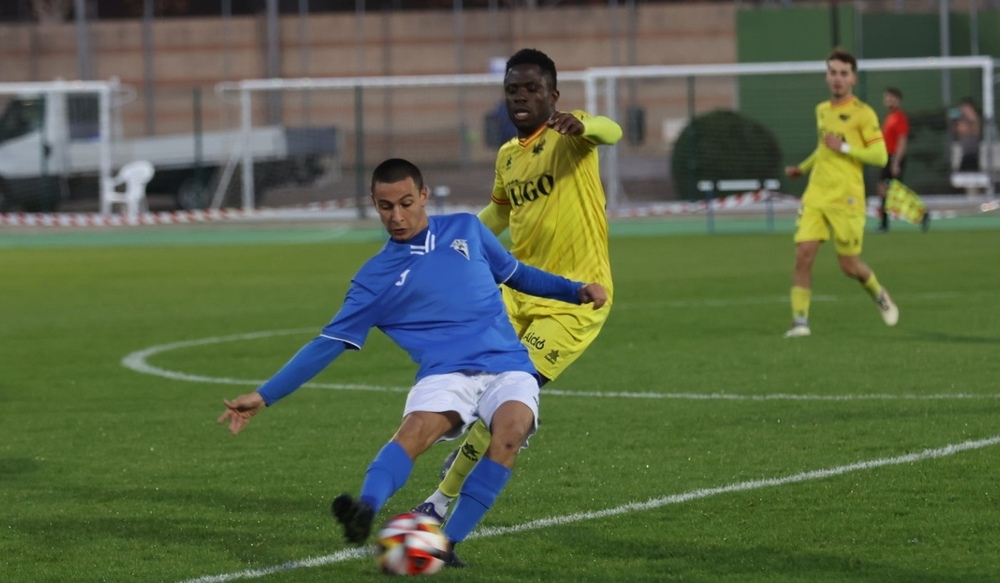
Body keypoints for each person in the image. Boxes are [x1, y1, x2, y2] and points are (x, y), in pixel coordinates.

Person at [217, 158, 607, 568]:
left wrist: (575, 290)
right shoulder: (374, 279)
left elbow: (516, 274)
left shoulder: (467, 229)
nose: (397, 216)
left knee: (509, 434)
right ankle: (365, 508)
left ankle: (447, 543)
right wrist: (264, 396)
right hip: (445, 374)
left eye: (406, 203)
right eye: (386, 207)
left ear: (423, 196)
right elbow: (326, 344)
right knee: (415, 432)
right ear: (374, 204)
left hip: (508, 366)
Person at [413, 48, 623, 521]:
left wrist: (583, 126)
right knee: (466, 364)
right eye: (513, 90)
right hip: (517, 290)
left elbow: (613, 130)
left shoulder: (571, 136)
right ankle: (479, 415)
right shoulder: (508, 157)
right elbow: (501, 215)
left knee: (505, 400)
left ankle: (438, 502)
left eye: (531, 89)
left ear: (553, 94)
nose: (521, 97)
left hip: (575, 300)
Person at [782, 48, 898, 338]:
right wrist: (804, 168)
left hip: (847, 198)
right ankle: (800, 323)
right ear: (826, 77)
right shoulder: (821, 110)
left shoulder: (863, 114)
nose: (837, 79)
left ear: (853, 79)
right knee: (803, 254)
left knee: (849, 266)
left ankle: (878, 292)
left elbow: (880, 156)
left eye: (843, 74)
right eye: (833, 72)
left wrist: (845, 147)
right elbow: (824, 147)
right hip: (817, 195)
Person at [876, 87, 910, 233]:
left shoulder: (900, 117)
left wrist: (896, 161)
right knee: (887, 189)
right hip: (887, 156)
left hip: (894, 157)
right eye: (887, 97)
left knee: (891, 189)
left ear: (898, 100)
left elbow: (902, 140)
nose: (889, 100)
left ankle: (885, 223)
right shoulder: (890, 117)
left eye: (892, 97)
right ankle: (884, 223)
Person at [952, 97, 982, 172]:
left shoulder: (975, 121)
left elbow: (974, 129)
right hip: (966, 154)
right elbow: (958, 129)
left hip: (972, 154)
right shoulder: (961, 121)